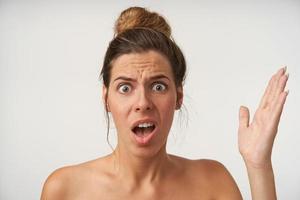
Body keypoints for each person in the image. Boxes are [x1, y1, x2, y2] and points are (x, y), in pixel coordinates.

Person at [41, 7, 289, 200]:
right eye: (125, 88)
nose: (143, 103)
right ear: (106, 98)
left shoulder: (214, 182)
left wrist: (259, 165)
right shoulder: (64, 189)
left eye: (158, 86)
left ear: (178, 96)